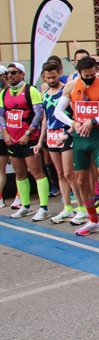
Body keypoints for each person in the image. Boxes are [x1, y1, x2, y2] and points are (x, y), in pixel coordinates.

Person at [54, 57, 99, 236]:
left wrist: (93, 120)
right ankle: (93, 220)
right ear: (79, 72)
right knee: (81, 181)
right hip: (80, 137)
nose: (90, 77)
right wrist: (72, 123)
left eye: (92, 74)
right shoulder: (71, 85)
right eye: (86, 75)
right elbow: (58, 111)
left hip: (98, 136)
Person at [2, 62, 50, 221]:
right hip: (12, 140)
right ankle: (25, 206)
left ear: (22, 74)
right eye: (9, 72)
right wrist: (5, 133)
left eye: (14, 72)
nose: (10, 75)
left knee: (37, 173)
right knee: (19, 173)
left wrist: (28, 133)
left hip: (30, 139)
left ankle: (44, 208)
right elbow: (1, 115)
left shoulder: (31, 90)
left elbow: (38, 114)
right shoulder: (4, 93)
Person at [41, 62, 87, 224]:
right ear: (43, 77)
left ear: (59, 73)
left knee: (69, 174)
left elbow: (75, 114)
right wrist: (41, 140)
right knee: (60, 174)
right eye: (48, 78)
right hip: (51, 136)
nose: (52, 80)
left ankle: (81, 207)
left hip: (66, 134)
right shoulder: (45, 92)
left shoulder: (66, 90)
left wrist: (68, 132)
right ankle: (67, 207)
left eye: (54, 77)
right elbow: (46, 117)